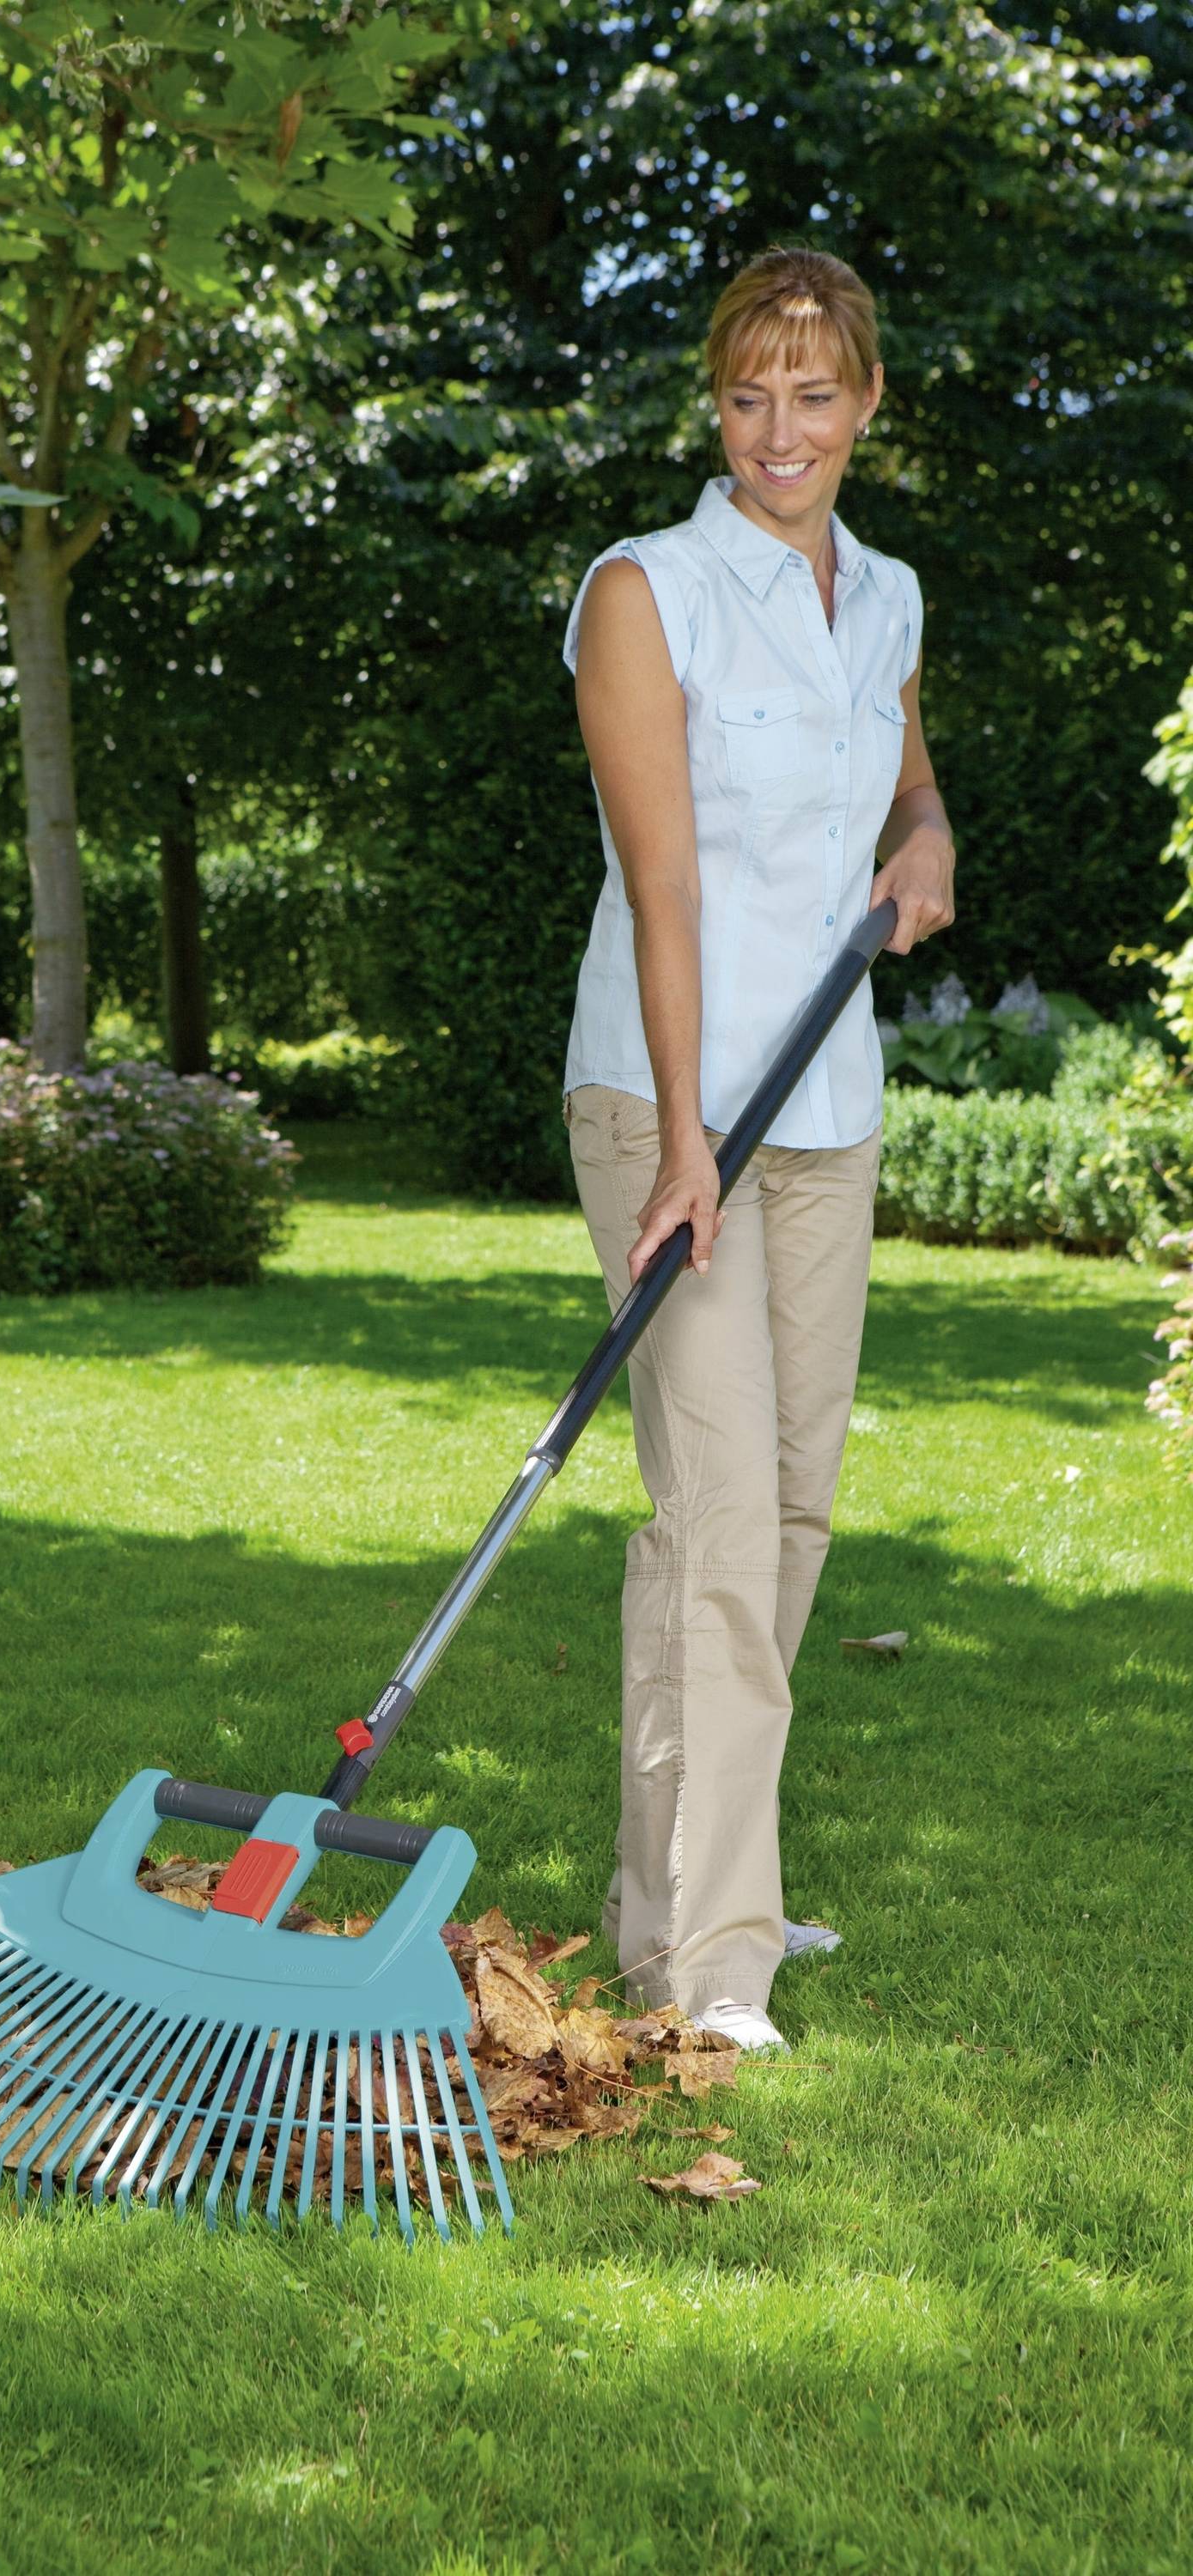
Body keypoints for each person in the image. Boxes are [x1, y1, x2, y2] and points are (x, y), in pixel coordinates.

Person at [562, 246, 956, 2051]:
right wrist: (678, 1149)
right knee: (719, 1520)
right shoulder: (648, 594)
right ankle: (711, 1968)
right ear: (714, 406)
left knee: (782, 1520)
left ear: (866, 405)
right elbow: (664, 889)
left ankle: (683, 1894)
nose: (779, 429)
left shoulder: (883, 601)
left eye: (814, 394)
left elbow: (901, 780)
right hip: (671, 1103)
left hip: (829, 1104)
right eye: (747, 394)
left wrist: (927, 837)